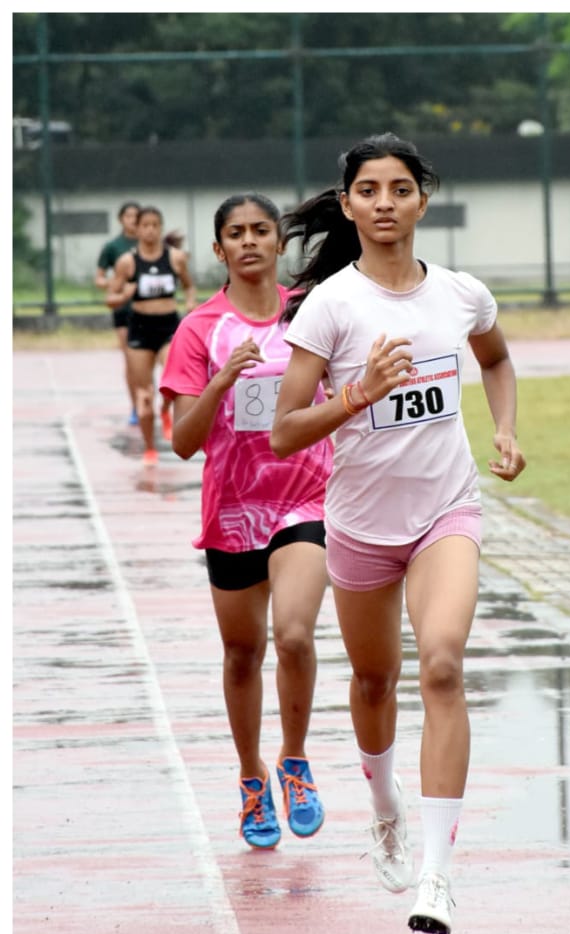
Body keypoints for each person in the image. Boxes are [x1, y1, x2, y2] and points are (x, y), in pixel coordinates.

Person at [270, 132, 526, 934]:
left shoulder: (459, 293)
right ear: (348, 205)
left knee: (443, 665)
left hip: (446, 509)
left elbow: (496, 360)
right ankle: (384, 805)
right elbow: (283, 433)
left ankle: (436, 877)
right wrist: (357, 395)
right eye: (369, 190)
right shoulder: (331, 306)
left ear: (423, 197)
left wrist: (507, 431)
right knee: (376, 682)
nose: (385, 202)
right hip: (358, 525)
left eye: (400, 188)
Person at [159, 193, 334, 850]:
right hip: (233, 511)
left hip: (304, 499)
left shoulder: (309, 315)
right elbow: (182, 440)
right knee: (242, 653)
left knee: (292, 635)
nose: (251, 241)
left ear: (280, 242)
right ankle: (251, 775)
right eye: (237, 233)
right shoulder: (201, 329)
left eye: (263, 230)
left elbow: (340, 398)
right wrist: (220, 382)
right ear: (219, 250)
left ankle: (294, 760)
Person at [108, 205, 196, 465]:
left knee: (172, 385)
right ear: (137, 230)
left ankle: (166, 412)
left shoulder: (176, 258)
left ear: (160, 227)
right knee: (144, 395)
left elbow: (189, 286)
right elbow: (111, 297)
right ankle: (149, 448)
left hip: (169, 326)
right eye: (144, 225)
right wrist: (123, 295)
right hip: (140, 328)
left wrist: (190, 302)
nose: (149, 230)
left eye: (154, 225)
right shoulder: (127, 262)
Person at [95, 201, 140, 425]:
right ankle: (136, 406)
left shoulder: (150, 244)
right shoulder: (113, 247)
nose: (133, 219)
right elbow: (99, 278)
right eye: (129, 216)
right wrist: (115, 284)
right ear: (121, 219)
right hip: (123, 310)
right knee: (132, 360)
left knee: (151, 361)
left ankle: (153, 402)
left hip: (148, 311)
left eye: (136, 216)